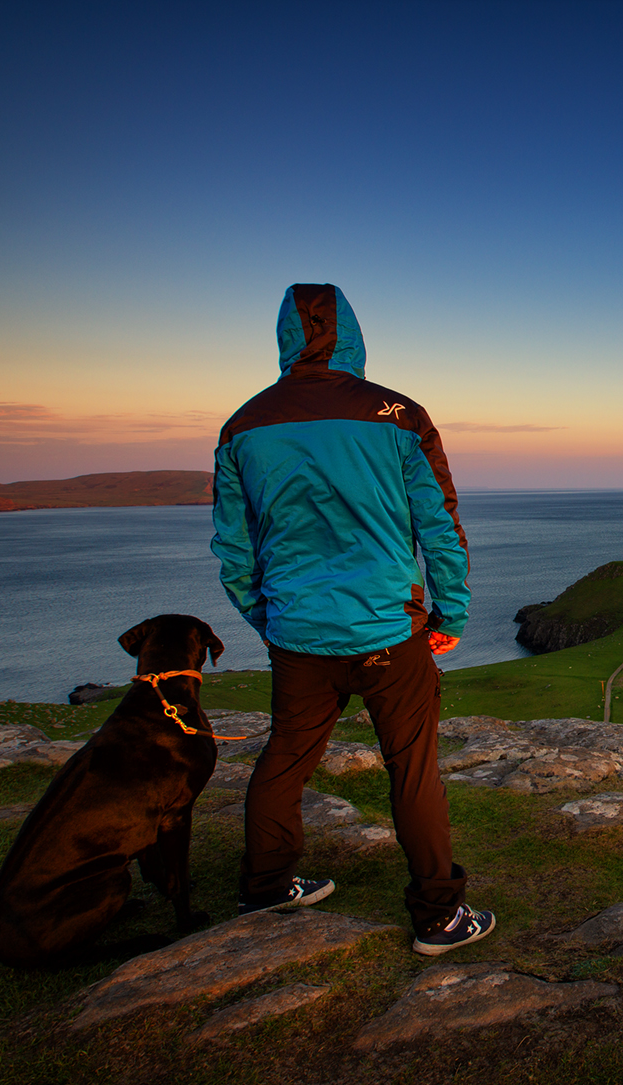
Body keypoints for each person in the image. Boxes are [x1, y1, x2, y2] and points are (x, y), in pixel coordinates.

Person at [210, 283, 494, 955]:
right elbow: (439, 526)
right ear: (354, 337)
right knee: (413, 770)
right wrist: (448, 610)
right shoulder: (398, 415)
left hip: (298, 636)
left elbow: (234, 548)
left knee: (285, 758)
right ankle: (438, 917)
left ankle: (267, 884)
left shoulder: (243, 426)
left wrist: (270, 617)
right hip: (392, 632)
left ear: (285, 336)